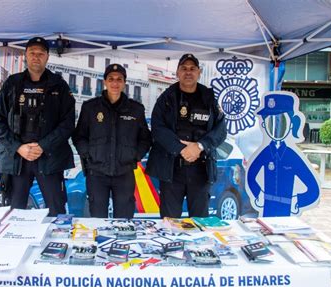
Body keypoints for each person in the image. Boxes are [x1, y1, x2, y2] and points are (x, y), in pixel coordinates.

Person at [0, 37, 75, 215]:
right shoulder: (12, 84)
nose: (36, 57)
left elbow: (67, 124)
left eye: (41, 54)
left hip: (49, 158)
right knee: (14, 212)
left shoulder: (59, 86)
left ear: (47, 58)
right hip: (17, 159)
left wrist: (43, 146)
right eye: (32, 53)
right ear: (25, 56)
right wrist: (18, 147)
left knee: (57, 211)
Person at [146, 53, 227, 218]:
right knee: (170, 223)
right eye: (184, 68)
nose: (188, 72)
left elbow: (221, 130)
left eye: (192, 69)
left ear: (199, 72)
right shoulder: (166, 98)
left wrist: (199, 146)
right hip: (171, 170)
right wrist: (181, 149)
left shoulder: (209, 98)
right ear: (177, 73)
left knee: (200, 222)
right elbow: (157, 128)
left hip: (200, 169)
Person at [73, 63, 151, 219]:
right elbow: (79, 136)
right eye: (111, 79)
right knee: (97, 218)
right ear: (105, 82)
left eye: (119, 79)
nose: (115, 83)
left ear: (124, 83)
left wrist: (135, 156)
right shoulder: (90, 108)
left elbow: (146, 138)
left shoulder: (136, 109)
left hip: (124, 173)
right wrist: (88, 154)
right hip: (97, 173)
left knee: (123, 220)